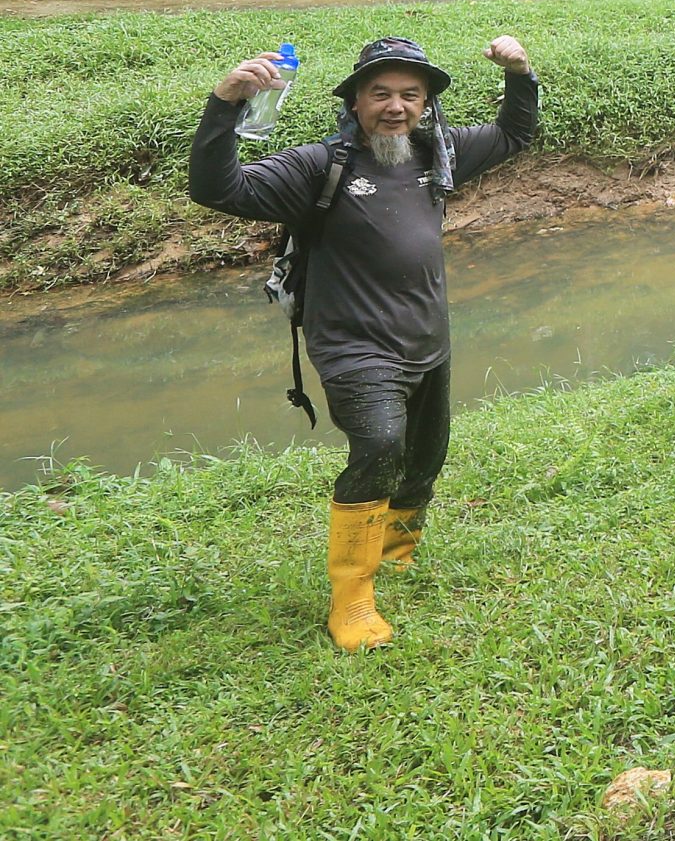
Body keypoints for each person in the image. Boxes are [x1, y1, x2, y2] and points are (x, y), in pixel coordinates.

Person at [190, 35, 540, 651]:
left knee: (426, 453)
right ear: (354, 101)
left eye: (411, 94)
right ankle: (352, 598)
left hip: (428, 337)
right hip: (353, 346)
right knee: (380, 442)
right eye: (380, 93)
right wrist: (225, 105)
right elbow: (219, 190)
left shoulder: (441, 152)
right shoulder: (316, 166)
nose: (396, 106)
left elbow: (515, 134)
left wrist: (520, 73)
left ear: (428, 104)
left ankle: (398, 549)